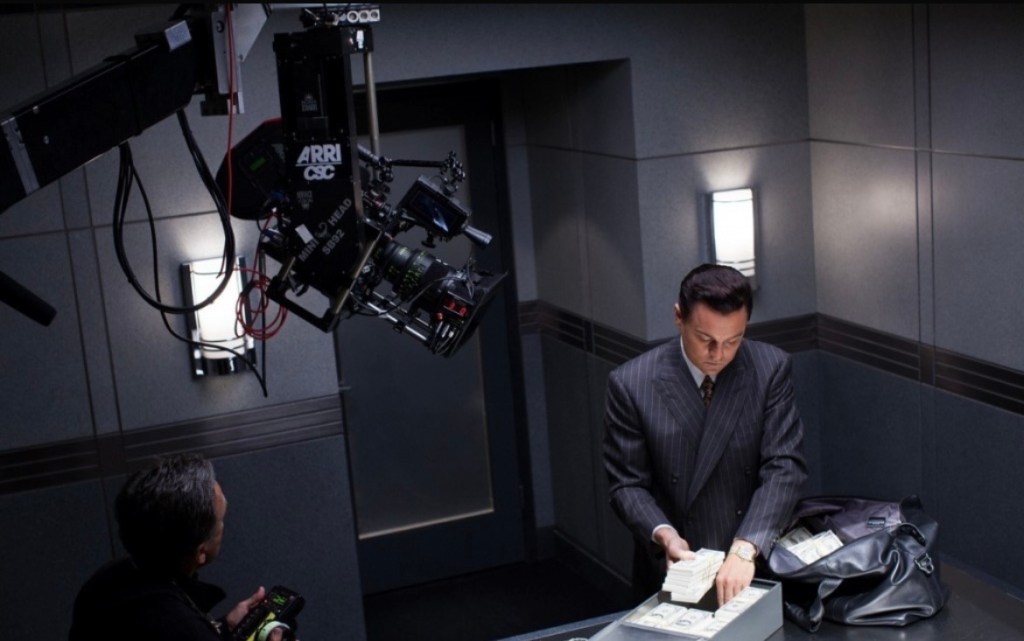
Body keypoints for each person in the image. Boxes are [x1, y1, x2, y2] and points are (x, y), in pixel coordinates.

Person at [603, 263, 807, 605]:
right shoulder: (632, 383)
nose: (718, 354)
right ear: (678, 317)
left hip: (752, 559)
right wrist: (664, 534)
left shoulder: (769, 368)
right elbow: (627, 485)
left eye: (732, 341)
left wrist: (747, 546)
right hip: (678, 566)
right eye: (705, 339)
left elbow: (784, 467)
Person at [68, 452, 289, 641]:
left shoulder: (106, 580)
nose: (224, 526)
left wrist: (223, 628)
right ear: (200, 552)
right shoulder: (181, 627)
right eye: (221, 520)